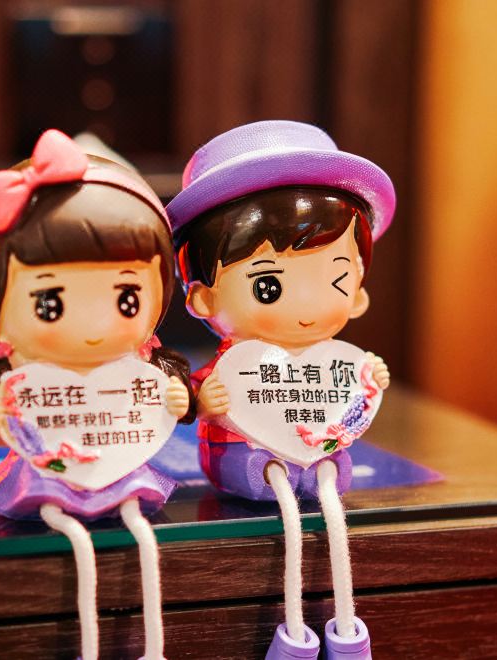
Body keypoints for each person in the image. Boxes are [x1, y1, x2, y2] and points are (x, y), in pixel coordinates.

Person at [0, 129, 194, 660]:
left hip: (122, 466)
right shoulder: (16, 374)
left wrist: (174, 402)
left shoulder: (143, 366)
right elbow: (4, 429)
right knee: (71, 548)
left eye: (126, 298)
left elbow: (164, 406)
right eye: (51, 303)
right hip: (44, 476)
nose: (92, 329)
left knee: (141, 547)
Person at [168, 120, 394, 660]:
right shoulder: (235, 365)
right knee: (261, 473)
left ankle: (346, 634)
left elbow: (352, 402)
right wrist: (205, 402)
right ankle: (294, 637)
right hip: (242, 459)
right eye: (268, 285)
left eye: (335, 279)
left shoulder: (336, 360)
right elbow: (196, 396)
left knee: (329, 476)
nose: (307, 306)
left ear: (359, 291)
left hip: (318, 453)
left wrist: (369, 381)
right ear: (201, 299)